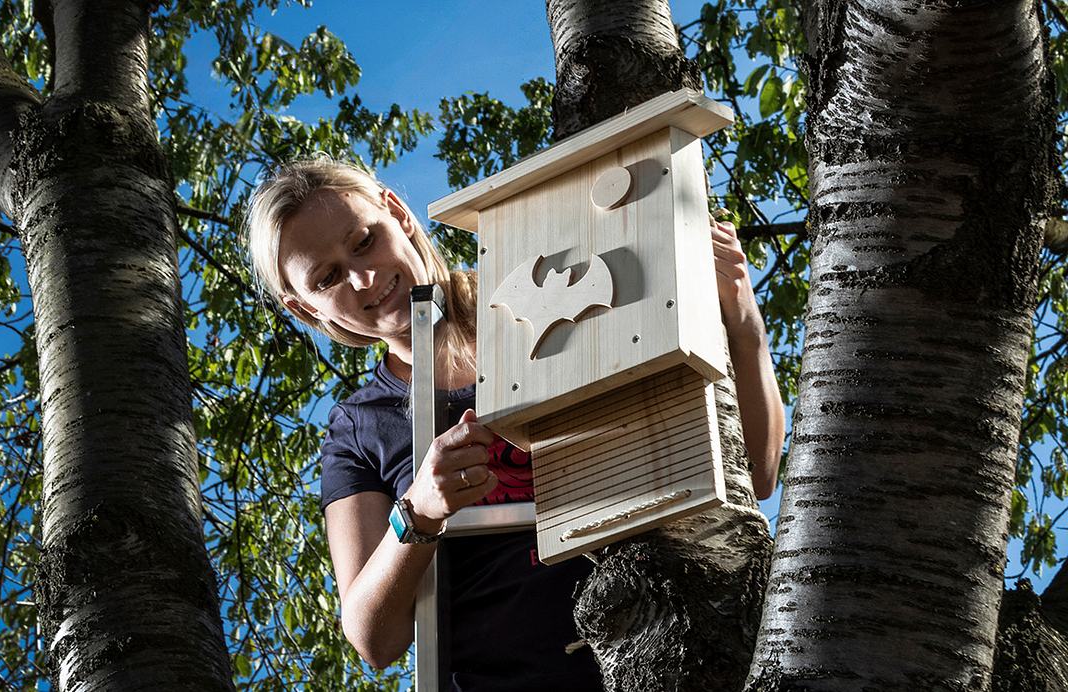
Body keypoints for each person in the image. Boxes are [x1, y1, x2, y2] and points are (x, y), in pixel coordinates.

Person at [244, 157, 785, 691]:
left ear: (396, 213)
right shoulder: (359, 427)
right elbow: (374, 640)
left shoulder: (542, 298)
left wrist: (743, 323)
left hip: (673, 649)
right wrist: (421, 509)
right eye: (329, 277)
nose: (364, 277)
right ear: (306, 310)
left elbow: (753, 478)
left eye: (364, 240)